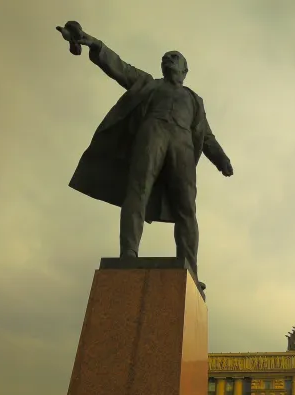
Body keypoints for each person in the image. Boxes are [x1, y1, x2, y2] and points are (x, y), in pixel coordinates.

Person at [57, 22, 233, 286]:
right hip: (151, 133)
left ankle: (191, 272)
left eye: (175, 57)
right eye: (165, 57)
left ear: (185, 70)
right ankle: (128, 253)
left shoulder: (195, 100)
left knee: (187, 208)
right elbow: (120, 68)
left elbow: (206, 136)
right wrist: (93, 43)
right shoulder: (149, 84)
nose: (168, 58)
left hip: (183, 145)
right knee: (137, 190)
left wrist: (222, 160)